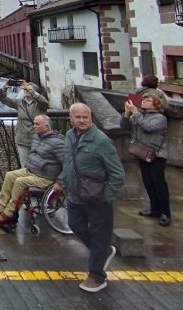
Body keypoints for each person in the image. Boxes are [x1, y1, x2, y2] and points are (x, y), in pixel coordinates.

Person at [56, 102, 125, 293]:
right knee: (75, 226)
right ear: (70, 119)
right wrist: (62, 182)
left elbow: (118, 174)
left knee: (99, 235)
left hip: (97, 198)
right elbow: (69, 162)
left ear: (91, 118)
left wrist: (106, 196)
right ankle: (103, 251)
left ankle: (97, 276)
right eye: (77, 117)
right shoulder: (70, 136)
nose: (81, 120)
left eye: (85, 117)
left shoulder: (101, 141)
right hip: (75, 196)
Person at [0, 114, 64, 225]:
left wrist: (60, 182)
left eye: (37, 124)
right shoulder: (37, 137)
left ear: (47, 126)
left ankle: (9, 213)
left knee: (20, 182)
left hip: (46, 178)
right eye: (34, 123)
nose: (34, 126)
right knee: (10, 175)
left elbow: (68, 164)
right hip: (32, 171)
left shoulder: (58, 143)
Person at [122, 92, 171, 226]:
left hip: (157, 154)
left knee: (158, 183)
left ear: (155, 104)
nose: (143, 102)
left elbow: (148, 128)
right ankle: (154, 209)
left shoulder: (160, 118)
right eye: (143, 100)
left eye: (147, 100)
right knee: (148, 181)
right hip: (142, 152)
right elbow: (124, 127)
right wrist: (127, 114)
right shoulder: (139, 116)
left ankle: (165, 213)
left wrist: (135, 113)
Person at [0, 80, 50, 167]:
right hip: (22, 140)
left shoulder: (39, 104)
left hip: (38, 139)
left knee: (38, 166)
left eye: (29, 89)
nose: (26, 91)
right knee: (25, 166)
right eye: (25, 90)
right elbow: (3, 99)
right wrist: (3, 89)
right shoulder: (19, 102)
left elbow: (45, 103)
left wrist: (31, 91)